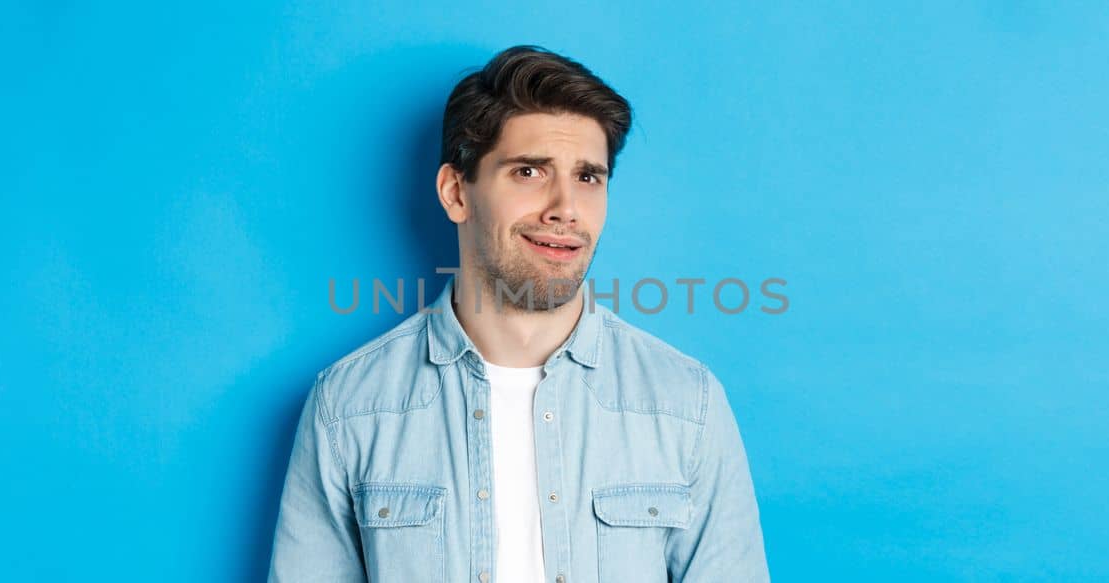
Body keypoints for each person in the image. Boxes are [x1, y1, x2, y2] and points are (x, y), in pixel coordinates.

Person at [267, 44, 770, 583]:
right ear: (456, 192)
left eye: (588, 177)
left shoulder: (685, 404)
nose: (565, 208)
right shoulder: (349, 407)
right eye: (530, 171)